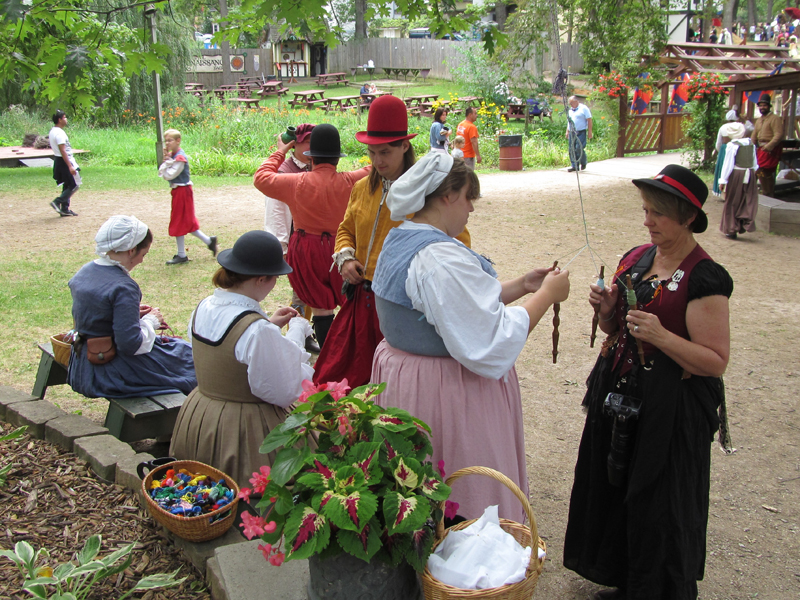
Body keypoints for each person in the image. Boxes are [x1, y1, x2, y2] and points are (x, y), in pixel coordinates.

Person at [563, 164, 733, 600]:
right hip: (621, 392)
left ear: (688, 217)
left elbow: (715, 362)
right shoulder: (636, 259)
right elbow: (613, 331)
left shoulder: (704, 277)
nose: (648, 222)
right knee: (616, 484)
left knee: (660, 500)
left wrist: (661, 336)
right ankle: (627, 580)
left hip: (671, 407)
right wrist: (605, 309)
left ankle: (657, 591)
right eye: (646, 211)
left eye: (658, 214)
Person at [370, 152, 571, 521]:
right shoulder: (438, 258)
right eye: (468, 199)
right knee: (458, 487)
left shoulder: (401, 237)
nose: (471, 210)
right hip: (444, 392)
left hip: (409, 381)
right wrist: (547, 296)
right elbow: (490, 340)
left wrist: (523, 285)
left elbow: (452, 306)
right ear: (447, 196)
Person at [170, 230, 314, 487]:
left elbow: (226, 351)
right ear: (261, 279)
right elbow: (283, 390)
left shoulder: (203, 306)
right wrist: (297, 331)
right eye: (275, 279)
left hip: (201, 418)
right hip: (241, 430)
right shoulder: (257, 330)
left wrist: (269, 325)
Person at [253, 124, 371, 348]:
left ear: (311, 156)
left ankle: (328, 353)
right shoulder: (352, 180)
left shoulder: (295, 182)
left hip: (306, 248)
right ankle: (348, 352)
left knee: (320, 308)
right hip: (342, 248)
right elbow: (379, 167)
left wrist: (280, 151)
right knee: (349, 303)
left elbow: (261, 177)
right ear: (337, 158)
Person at [67, 216, 196, 399]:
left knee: (180, 350)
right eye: (143, 255)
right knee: (192, 367)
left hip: (82, 364)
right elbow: (131, 345)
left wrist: (131, 313)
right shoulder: (123, 287)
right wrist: (152, 321)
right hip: (110, 371)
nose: (142, 261)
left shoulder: (85, 272)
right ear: (131, 250)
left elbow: (96, 315)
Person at [262, 123, 318, 352]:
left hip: (319, 239)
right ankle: (299, 332)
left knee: (315, 288)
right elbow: (276, 211)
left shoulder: (317, 165)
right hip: (298, 241)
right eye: (307, 142)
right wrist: (282, 246)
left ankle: (308, 328)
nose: (312, 146)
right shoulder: (284, 171)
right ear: (294, 144)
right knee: (301, 290)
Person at [158, 128, 218, 265]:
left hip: (183, 191)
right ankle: (208, 242)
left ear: (178, 141)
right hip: (178, 191)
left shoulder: (179, 158)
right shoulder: (173, 156)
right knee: (184, 222)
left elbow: (168, 175)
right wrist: (167, 160)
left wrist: (166, 163)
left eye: (170, 140)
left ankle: (182, 254)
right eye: (166, 141)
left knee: (180, 221)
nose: (167, 143)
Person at [719, 125, 758, 240]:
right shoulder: (750, 143)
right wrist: (753, 172)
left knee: (732, 201)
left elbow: (728, 164)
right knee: (747, 199)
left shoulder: (732, 146)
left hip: (737, 174)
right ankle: (743, 223)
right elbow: (754, 162)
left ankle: (731, 229)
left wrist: (723, 180)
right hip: (750, 174)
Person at [48, 110, 80, 217]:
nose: (66, 119)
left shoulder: (53, 131)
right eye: (64, 117)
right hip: (64, 161)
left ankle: (65, 209)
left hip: (59, 160)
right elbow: (63, 151)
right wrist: (70, 166)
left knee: (67, 184)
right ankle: (58, 201)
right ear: (59, 120)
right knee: (74, 185)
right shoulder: (59, 133)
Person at [751, 95, 783, 197]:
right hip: (761, 148)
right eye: (760, 106)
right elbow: (754, 135)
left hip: (770, 149)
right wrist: (751, 146)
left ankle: (768, 192)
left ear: (769, 106)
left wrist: (769, 146)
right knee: (758, 170)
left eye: (764, 105)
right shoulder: (759, 120)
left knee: (764, 170)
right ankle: (763, 191)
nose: (762, 107)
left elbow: (779, 134)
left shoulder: (775, 118)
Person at [712, 109, 746, 197]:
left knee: (724, 168)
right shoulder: (741, 126)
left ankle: (721, 191)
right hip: (738, 148)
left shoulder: (723, 127)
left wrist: (721, 152)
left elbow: (718, 143)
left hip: (725, 148)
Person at [566, 95, 593, 172]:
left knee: (579, 148)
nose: (570, 105)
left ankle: (583, 162)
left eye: (571, 103)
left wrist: (590, 131)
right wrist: (567, 131)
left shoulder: (584, 108)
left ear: (576, 101)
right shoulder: (570, 110)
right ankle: (574, 166)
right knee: (571, 149)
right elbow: (569, 121)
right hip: (572, 131)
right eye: (569, 103)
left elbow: (589, 120)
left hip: (581, 131)